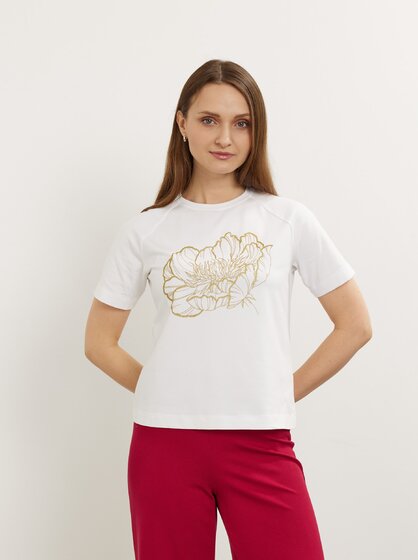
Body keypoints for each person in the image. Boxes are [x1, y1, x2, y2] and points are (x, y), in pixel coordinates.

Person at [84, 59, 372, 560]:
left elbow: (355, 325)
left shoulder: (286, 220)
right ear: (182, 124)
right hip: (165, 444)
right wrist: (166, 387)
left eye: (242, 123)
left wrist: (281, 391)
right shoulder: (146, 230)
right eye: (208, 120)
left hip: (261, 440)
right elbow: (98, 343)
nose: (225, 138)